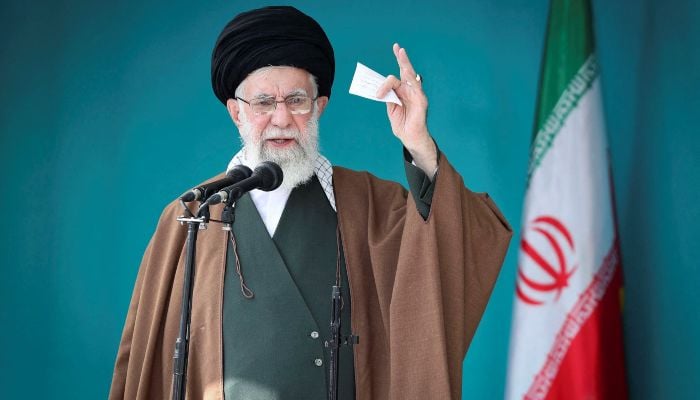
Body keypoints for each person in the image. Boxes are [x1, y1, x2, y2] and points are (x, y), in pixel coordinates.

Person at [109, 6, 512, 400]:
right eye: (264, 103)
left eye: (297, 100)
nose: (282, 118)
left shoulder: (368, 206)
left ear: (319, 106)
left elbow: (455, 239)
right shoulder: (192, 213)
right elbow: (148, 360)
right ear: (236, 112)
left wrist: (418, 142)